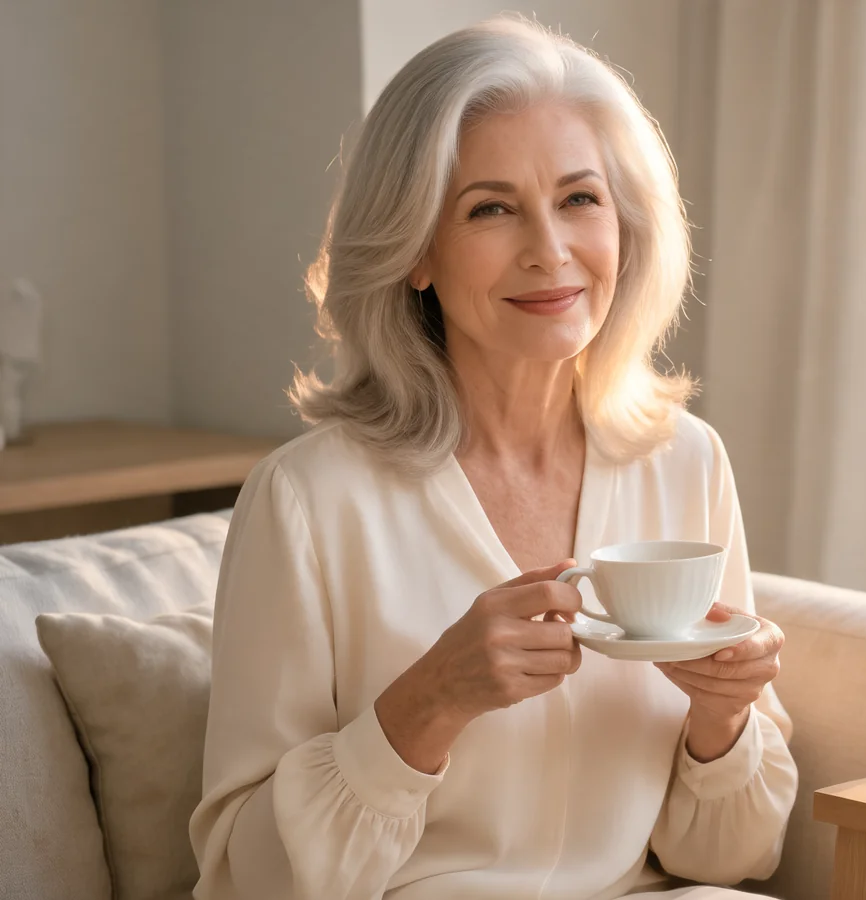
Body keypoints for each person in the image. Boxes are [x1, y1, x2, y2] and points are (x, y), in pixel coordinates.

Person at [189, 16, 797, 900]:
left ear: (625, 227)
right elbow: (247, 878)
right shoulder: (308, 500)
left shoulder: (686, 463)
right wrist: (427, 704)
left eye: (580, 199)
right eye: (491, 208)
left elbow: (732, 861)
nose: (550, 249)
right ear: (417, 253)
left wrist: (722, 716)